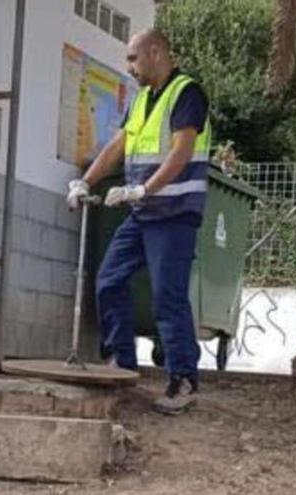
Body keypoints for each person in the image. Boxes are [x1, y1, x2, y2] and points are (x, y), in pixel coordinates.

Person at [66, 29, 212, 415]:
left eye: (133, 58)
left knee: (168, 296)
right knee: (109, 279)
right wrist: (86, 180)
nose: (129, 67)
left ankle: (183, 380)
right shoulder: (142, 99)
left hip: (174, 214)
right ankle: (121, 362)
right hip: (144, 212)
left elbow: (181, 152)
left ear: (155, 51)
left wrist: (142, 189)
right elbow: (118, 146)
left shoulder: (187, 93)